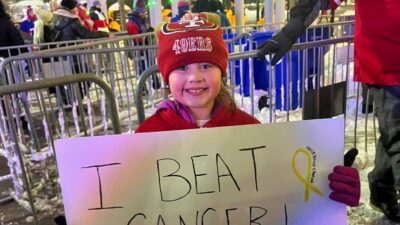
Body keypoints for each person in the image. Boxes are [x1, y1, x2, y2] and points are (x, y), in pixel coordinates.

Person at [135, 13, 360, 209]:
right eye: (181, 68)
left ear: (221, 72)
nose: (195, 77)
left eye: (206, 65)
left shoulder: (249, 129)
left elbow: (278, 190)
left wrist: (325, 186)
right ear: (166, 76)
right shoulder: (148, 136)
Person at [256, 0, 400, 222]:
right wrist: (292, 28)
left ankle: (381, 187)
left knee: (394, 133)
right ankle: (382, 188)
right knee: (397, 135)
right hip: (388, 65)